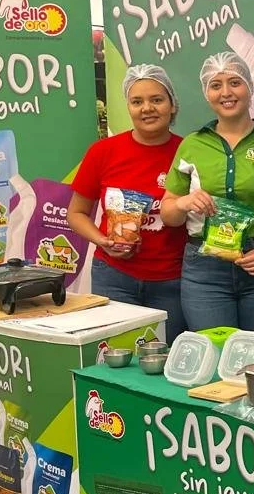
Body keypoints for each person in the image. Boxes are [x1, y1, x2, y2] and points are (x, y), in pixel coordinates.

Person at [161, 52, 254, 340]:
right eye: (216, 85)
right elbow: (168, 214)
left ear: (250, 87)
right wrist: (184, 202)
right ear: (206, 93)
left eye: (235, 82)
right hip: (205, 272)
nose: (226, 92)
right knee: (213, 354)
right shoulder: (192, 145)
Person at [68, 64, 188, 342]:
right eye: (137, 102)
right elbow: (76, 213)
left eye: (157, 100)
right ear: (128, 107)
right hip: (114, 277)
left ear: (172, 105)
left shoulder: (188, 152)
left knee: (164, 360)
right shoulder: (103, 152)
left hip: (173, 279)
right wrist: (103, 240)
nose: (147, 108)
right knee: (116, 358)